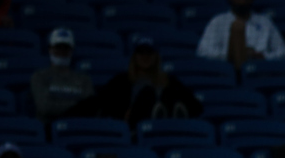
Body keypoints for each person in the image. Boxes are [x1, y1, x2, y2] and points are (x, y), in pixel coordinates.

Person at [70, 36, 202, 126]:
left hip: (168, 124)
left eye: (149, 53)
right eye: (141, 53)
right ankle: (155, 114)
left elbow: (196, 106)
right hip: (135, 124)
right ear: (134, 56)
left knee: (171, 94)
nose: (145, 57)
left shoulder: (168, 80)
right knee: (147, 93)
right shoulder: (122, 80)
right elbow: (98, 101)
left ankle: (170, 119)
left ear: (155, 56)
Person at [196, 0, 285, 68]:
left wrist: (263, 56)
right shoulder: (218, 22)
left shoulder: (265, 22)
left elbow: (284, 52)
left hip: (260, 71)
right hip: (228, 69)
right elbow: (203, 51)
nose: (243, 1)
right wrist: (233, 53)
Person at [30, 27, 94, 124]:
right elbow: (45, 107)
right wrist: (77, 106)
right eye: (58, 47)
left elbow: (90, 108)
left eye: (66, 48)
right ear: (50, 49)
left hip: (79, 127)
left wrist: (57, 103)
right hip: (49, 128)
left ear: (72, 50)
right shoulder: (39, 77)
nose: (62, 51)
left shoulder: (84, 79)